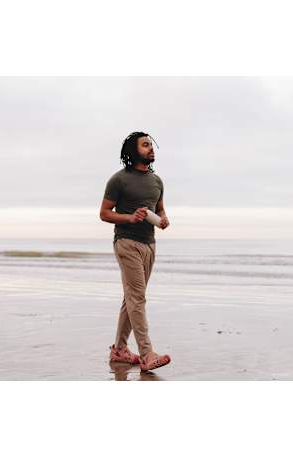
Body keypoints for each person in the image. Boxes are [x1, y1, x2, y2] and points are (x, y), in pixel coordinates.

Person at [99, 131, 171, 372]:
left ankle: (119, 349)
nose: (151, 148)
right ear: (133, 150)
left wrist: (163, 219)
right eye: (145, 145)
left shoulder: (157, 181)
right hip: (127, 242)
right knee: (137, 298)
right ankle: (147, 353)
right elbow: (104, 213)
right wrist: (130, 217)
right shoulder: (119, 180)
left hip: (149, 244)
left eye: (151, 145)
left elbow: (160, 209)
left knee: (132, 298)